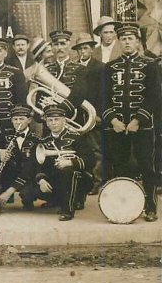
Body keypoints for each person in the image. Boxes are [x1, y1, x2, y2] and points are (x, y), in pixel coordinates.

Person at [103, 23, 160, 221]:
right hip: (117, 127)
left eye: (131, 38)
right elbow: (104, 97)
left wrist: (137, 120)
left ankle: (151, 207)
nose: (127, 42)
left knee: (146, 166)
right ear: (119, 42)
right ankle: (122, 209)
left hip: (142, 126)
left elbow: (154, 95)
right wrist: (113, 120)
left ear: (137, 41)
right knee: (119, 166)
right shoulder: (110, 67)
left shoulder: (150, 65)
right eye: (123, 39)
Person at [21, 104, 95, 221]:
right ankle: (56, 200)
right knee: (26, 193)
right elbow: (36, 164)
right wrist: (41, 179)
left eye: (57, 119)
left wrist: (70, 162)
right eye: (50, 120)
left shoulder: (76, 137)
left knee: (68, 172)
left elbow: (91, 160)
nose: (53, 123)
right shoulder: (44, 141)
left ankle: (68, 209)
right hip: (54, 179)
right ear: (46, 122)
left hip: (78, 179)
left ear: (64, 120)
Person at [0, 105, 39, 216]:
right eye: (15, 119)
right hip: (8, 173)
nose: (18, 122)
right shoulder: (4, 135)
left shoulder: (35, 139)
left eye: (21, 119)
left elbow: (30, 168)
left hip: (26, 175)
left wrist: (9, 191)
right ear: (11, 120)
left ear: (29, 120)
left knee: (27, 193)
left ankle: (27, 201)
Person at [70, 33, 105, 195]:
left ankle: (97, 182)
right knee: (79, 149)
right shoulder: (73, 67)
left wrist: (99, 114)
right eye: (79, 49)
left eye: (86, 48)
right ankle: (83, 182)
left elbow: (104, 93)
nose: (82, 51)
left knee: (96, 150)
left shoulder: (100, 67)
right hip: (77, 116)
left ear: (92, 49)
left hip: (94, 114)